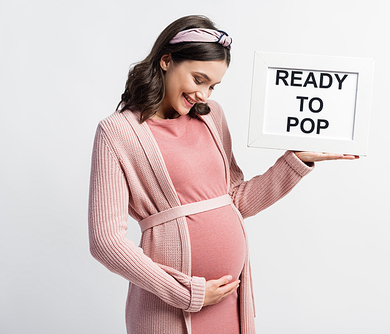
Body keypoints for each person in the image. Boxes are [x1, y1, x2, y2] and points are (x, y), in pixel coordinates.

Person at [88, 15, 358, 334]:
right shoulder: (117, 132)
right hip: (169, 307)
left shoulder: (211, 117)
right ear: (166, 60)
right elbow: (106, 241)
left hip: (229, 300)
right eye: (198, 79)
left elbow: (235, 200)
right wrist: (186, 293)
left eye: (213, 85)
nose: (204, 94)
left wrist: (294, 161)